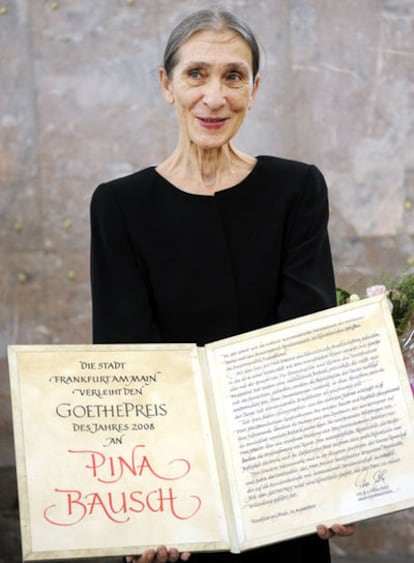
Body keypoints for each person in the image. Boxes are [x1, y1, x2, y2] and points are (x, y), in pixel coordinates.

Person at [90, 8, 355, 563]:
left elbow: (307, 339)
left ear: (254, 90)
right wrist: (144, 509)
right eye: (196, 74)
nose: (215, 97)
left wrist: (329, 479)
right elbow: (128, 362)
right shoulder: (119, 205)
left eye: (234, 76)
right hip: (174, 493)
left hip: (283, 489)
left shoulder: (297, 188)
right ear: (166, 85)